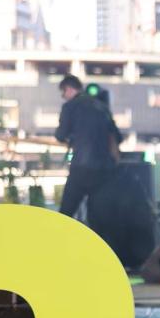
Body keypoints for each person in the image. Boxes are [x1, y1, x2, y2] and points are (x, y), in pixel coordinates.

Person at [54, 73, 122, 219]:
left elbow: (60, 135)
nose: (63, 97)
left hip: (82, 167)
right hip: (105, 170)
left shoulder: (70, 106)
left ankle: (59, 240)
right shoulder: (102, 106)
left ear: (69, 89)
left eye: (63, 93)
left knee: (66, 214)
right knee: (98, 218)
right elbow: (118, 137)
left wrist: (72, 137)